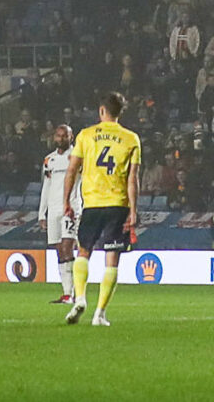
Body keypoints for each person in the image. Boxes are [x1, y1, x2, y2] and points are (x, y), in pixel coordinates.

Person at [63, 93, 141, 327]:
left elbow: (72, 170)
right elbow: (133, 178)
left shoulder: (86, 135)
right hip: (117, 205)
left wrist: (66, 201)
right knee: (112, 260)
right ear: (120, 112)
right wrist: (134, 210)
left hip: (92, 204)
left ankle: (80, 298)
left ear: (101, 111)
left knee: (83, 252)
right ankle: (100, 314)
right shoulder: (131, 139)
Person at [39, 123, 80, 305]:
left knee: (67, 247)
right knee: (59, 251)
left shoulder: (77, 157)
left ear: (71, 137)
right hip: (54, 209)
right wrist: (42, 213)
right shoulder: (49, 160)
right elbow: (46, 186)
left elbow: (84, 182)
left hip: (71, 208)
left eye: (65, 136)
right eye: (58, 135)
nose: (61, 139)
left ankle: (74, 292)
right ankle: (66, 293)